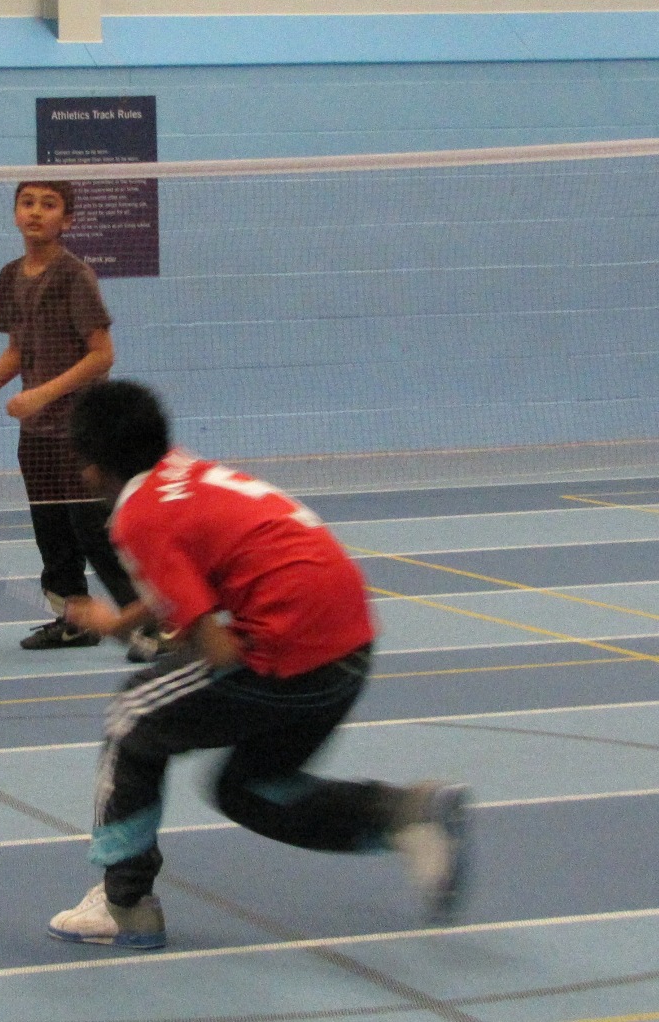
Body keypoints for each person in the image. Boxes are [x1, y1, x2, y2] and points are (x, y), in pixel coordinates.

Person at [45, 379, 469, 950]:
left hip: (289, 649)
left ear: (91, 468)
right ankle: (405, 816)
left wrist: (164, 646)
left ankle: (123, 905)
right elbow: (195, 575)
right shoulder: (177, 472)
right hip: (349, 644)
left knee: (131, 718)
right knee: (250, 789)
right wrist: (120, 625)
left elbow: (217, 651)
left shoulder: (135, 518)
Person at [0, 180, 155, 657]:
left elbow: (102, 355)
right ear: (15, 213)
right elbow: (17, 350)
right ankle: (74, 621)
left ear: (68, 220)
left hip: (83, 429)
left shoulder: (74, 275)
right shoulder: (9, 276)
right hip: (37, 433)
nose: (36, 212)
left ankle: (147, 622)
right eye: (27, 203)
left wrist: (40, 394)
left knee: (92, 528)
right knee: (52, 532)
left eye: (49, 204)